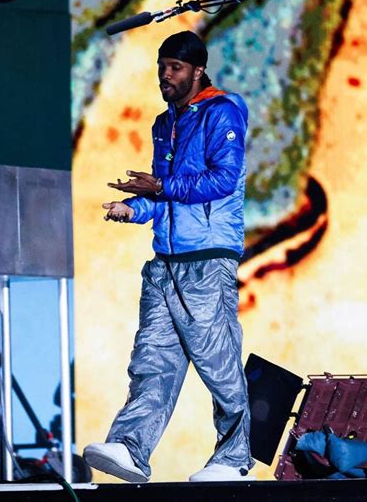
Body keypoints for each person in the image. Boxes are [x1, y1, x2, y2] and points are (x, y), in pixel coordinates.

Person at [83, 30, 255, 483]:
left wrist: (158, 188)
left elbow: (222, 180)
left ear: (198, 69)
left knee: (218, 365)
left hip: (207, 258)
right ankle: (131, 448)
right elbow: (165, 194)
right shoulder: (165, 123)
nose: (165, 75)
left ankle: (234, 460)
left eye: (174, 68)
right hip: (165, 262)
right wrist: (134, 207)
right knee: (151, 359)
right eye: (161, 67)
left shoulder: (223, 113)